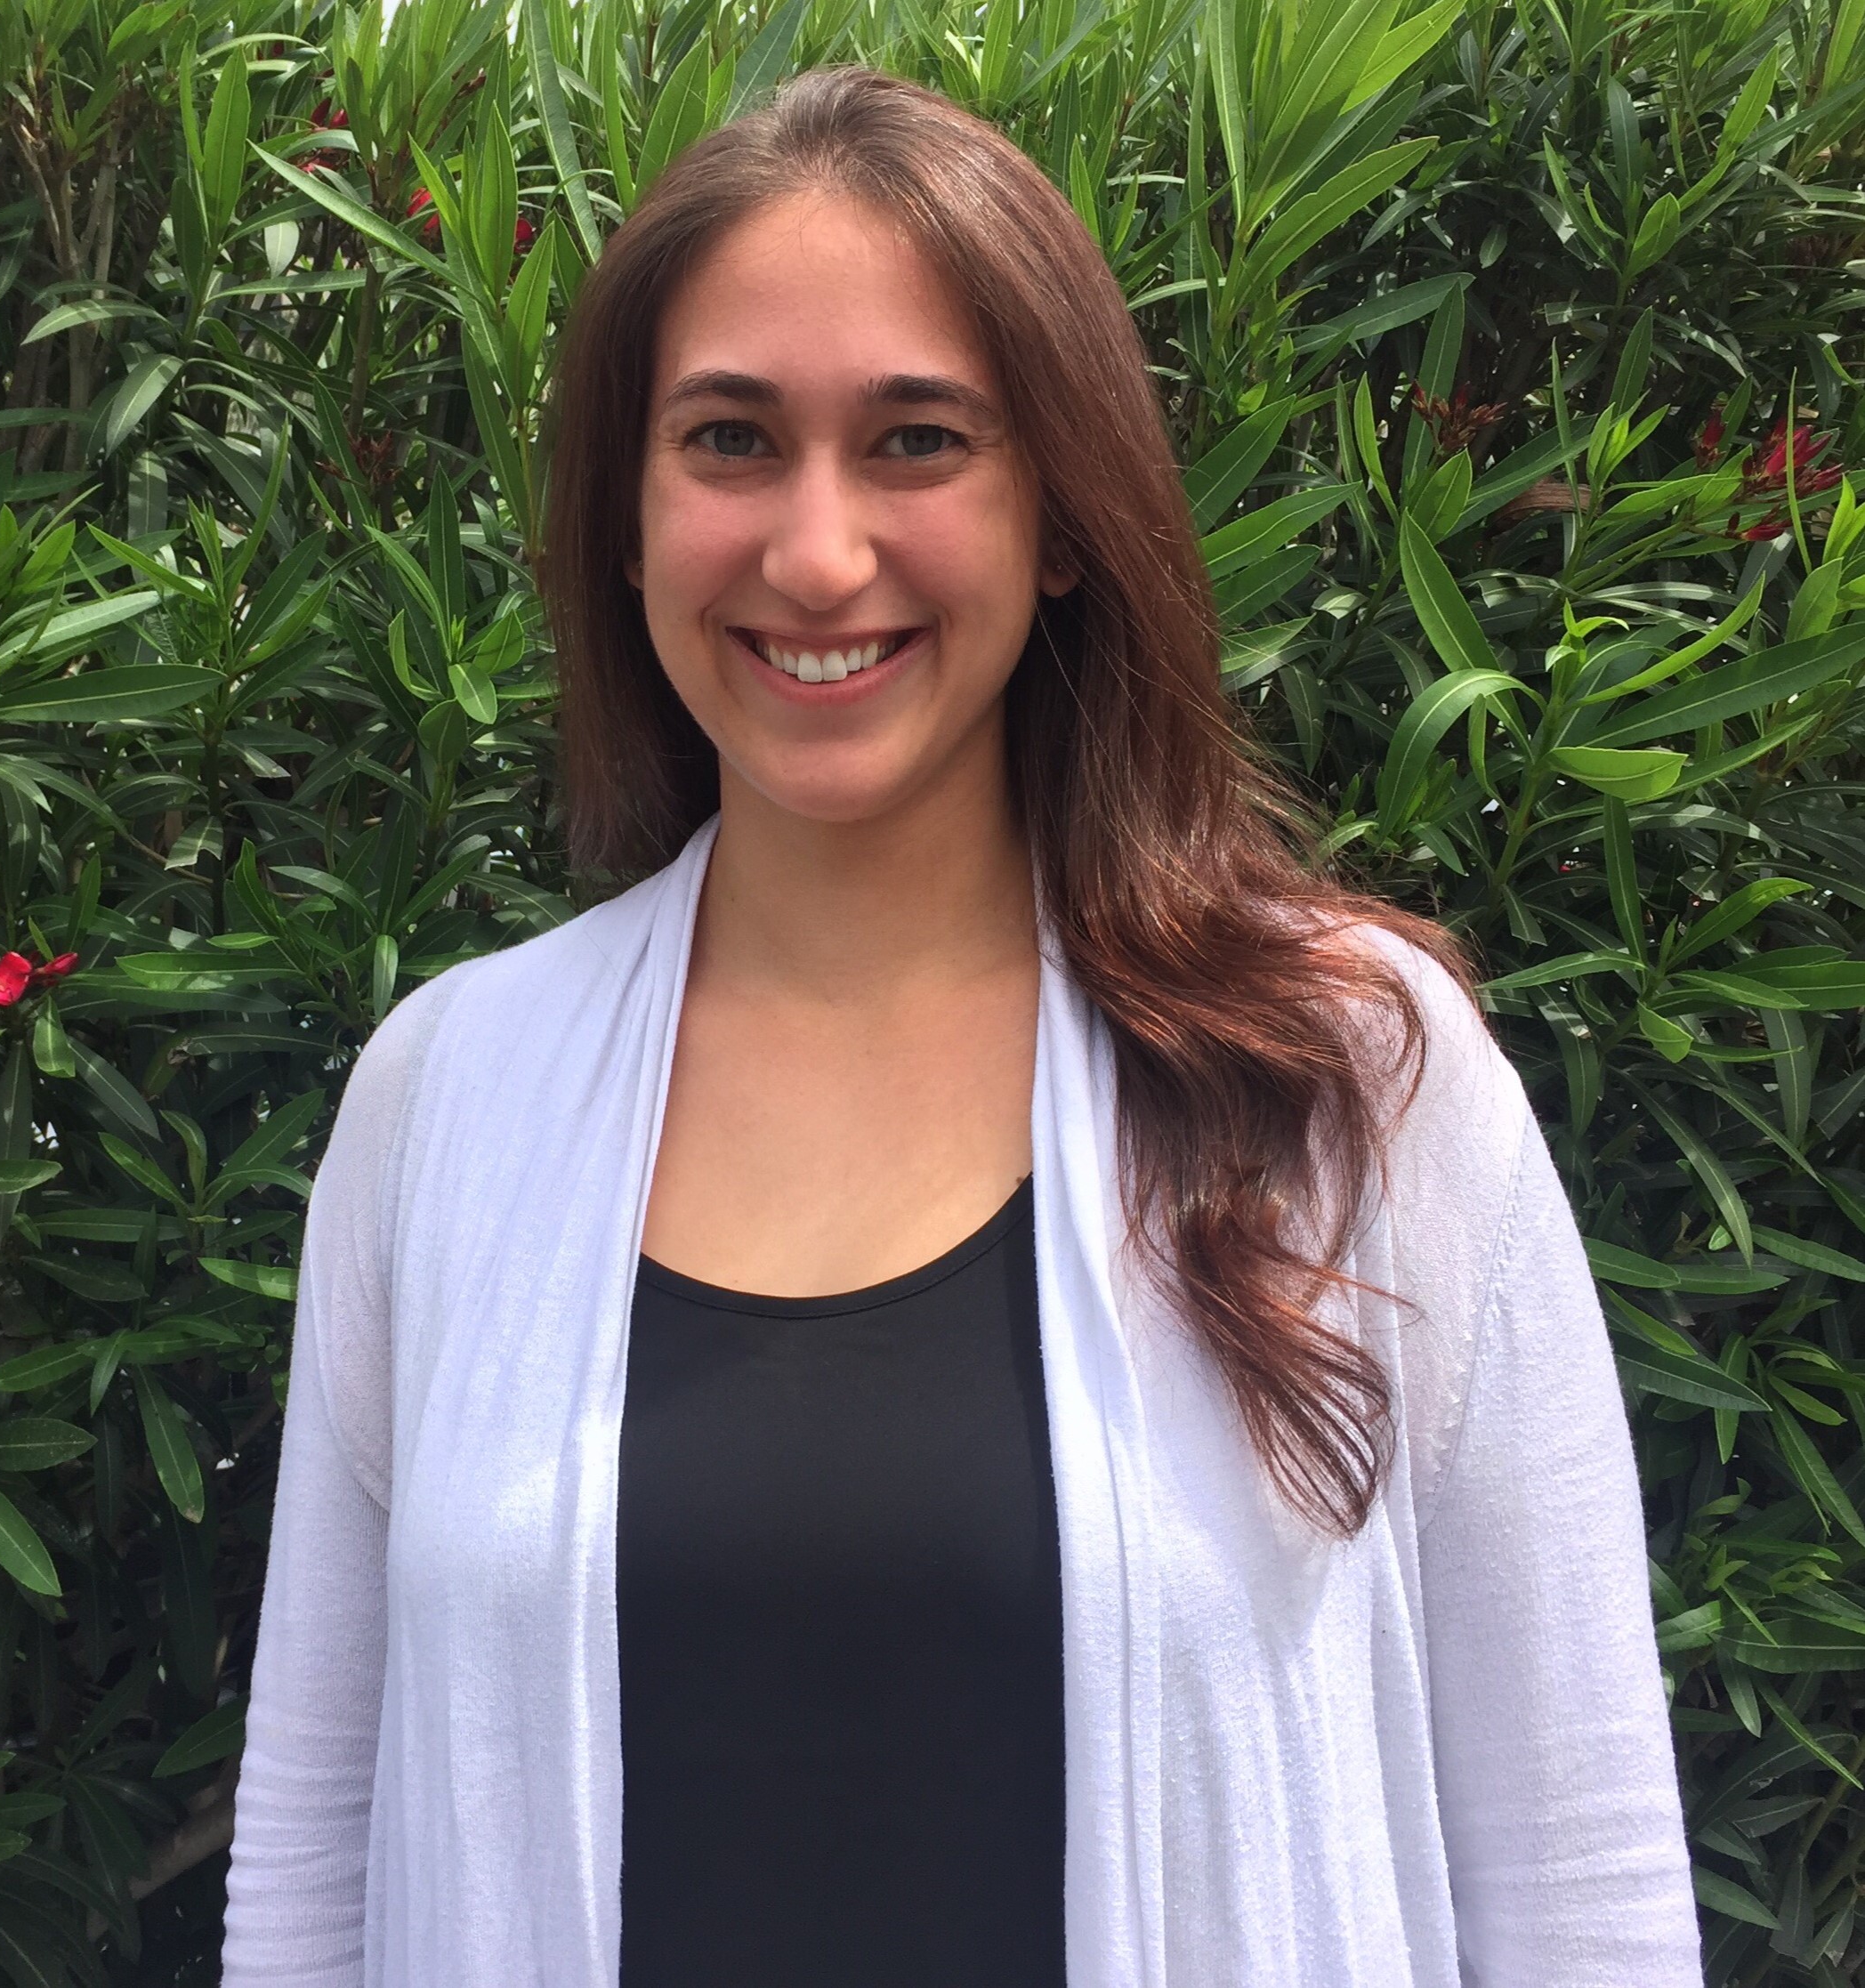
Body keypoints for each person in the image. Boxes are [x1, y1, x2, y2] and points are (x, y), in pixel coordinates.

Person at [222, 63, 1701, 1988]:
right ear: (627, 512)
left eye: (916, 440)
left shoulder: (1346, 1086)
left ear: (1062, 513)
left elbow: (1579, 1881)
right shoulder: (447, 1095)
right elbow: (315, 1863)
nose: (818, 553)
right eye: (730, 439)